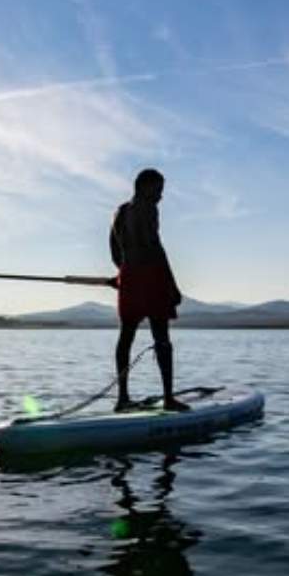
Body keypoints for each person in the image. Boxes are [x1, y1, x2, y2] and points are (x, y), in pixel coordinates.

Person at [110, 169, 189, 412]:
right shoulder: (148, 208)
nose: (160, 197)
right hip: (151, 278)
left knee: (126, 337)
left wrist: (123, 275)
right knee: (162, 339)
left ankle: (122, 398)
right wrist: (172, 286)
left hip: (130, 279)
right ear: (143, 187)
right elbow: (155, 248)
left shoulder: (119, 212)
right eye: (158, 190)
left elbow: (115, 252)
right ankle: (168, 398)